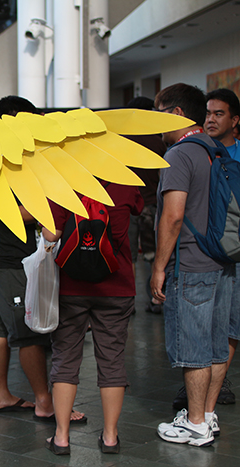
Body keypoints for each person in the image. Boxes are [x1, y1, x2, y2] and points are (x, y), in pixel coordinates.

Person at [0, 96, 85, 426]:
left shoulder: (7, 156)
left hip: (6, 255)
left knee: (1, 327)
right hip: (9, 255)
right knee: (28, 332)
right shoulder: (0, 161)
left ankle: (1, 396)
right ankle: (45, 402)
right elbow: (6, 212)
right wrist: (49, 206)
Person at [151, 83, 233, 447]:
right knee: (217, 345)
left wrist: (158, 267)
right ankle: (208, 415)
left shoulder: (180, 154)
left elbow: (173, 216)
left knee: (195, 347)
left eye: (157, 114)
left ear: (176, 114)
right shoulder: (217, 149)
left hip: (192, 263)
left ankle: (195, 422)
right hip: (223, 260)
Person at [42, 178, 142, 455]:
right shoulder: (125, 182)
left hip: (71, 286)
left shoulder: (64, 182)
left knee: (65, 357)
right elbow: (137, 208)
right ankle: (110, 437)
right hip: (117, 287)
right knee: (112, 359)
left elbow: (51, 235)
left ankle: (61, 437)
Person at [122, 97, 168, 314]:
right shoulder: (160, 141)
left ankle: (128, 303)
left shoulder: (122, 140)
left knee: (128, 255)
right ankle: (157, 299)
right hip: (152, 205)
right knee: (154, 255)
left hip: (127, 205)